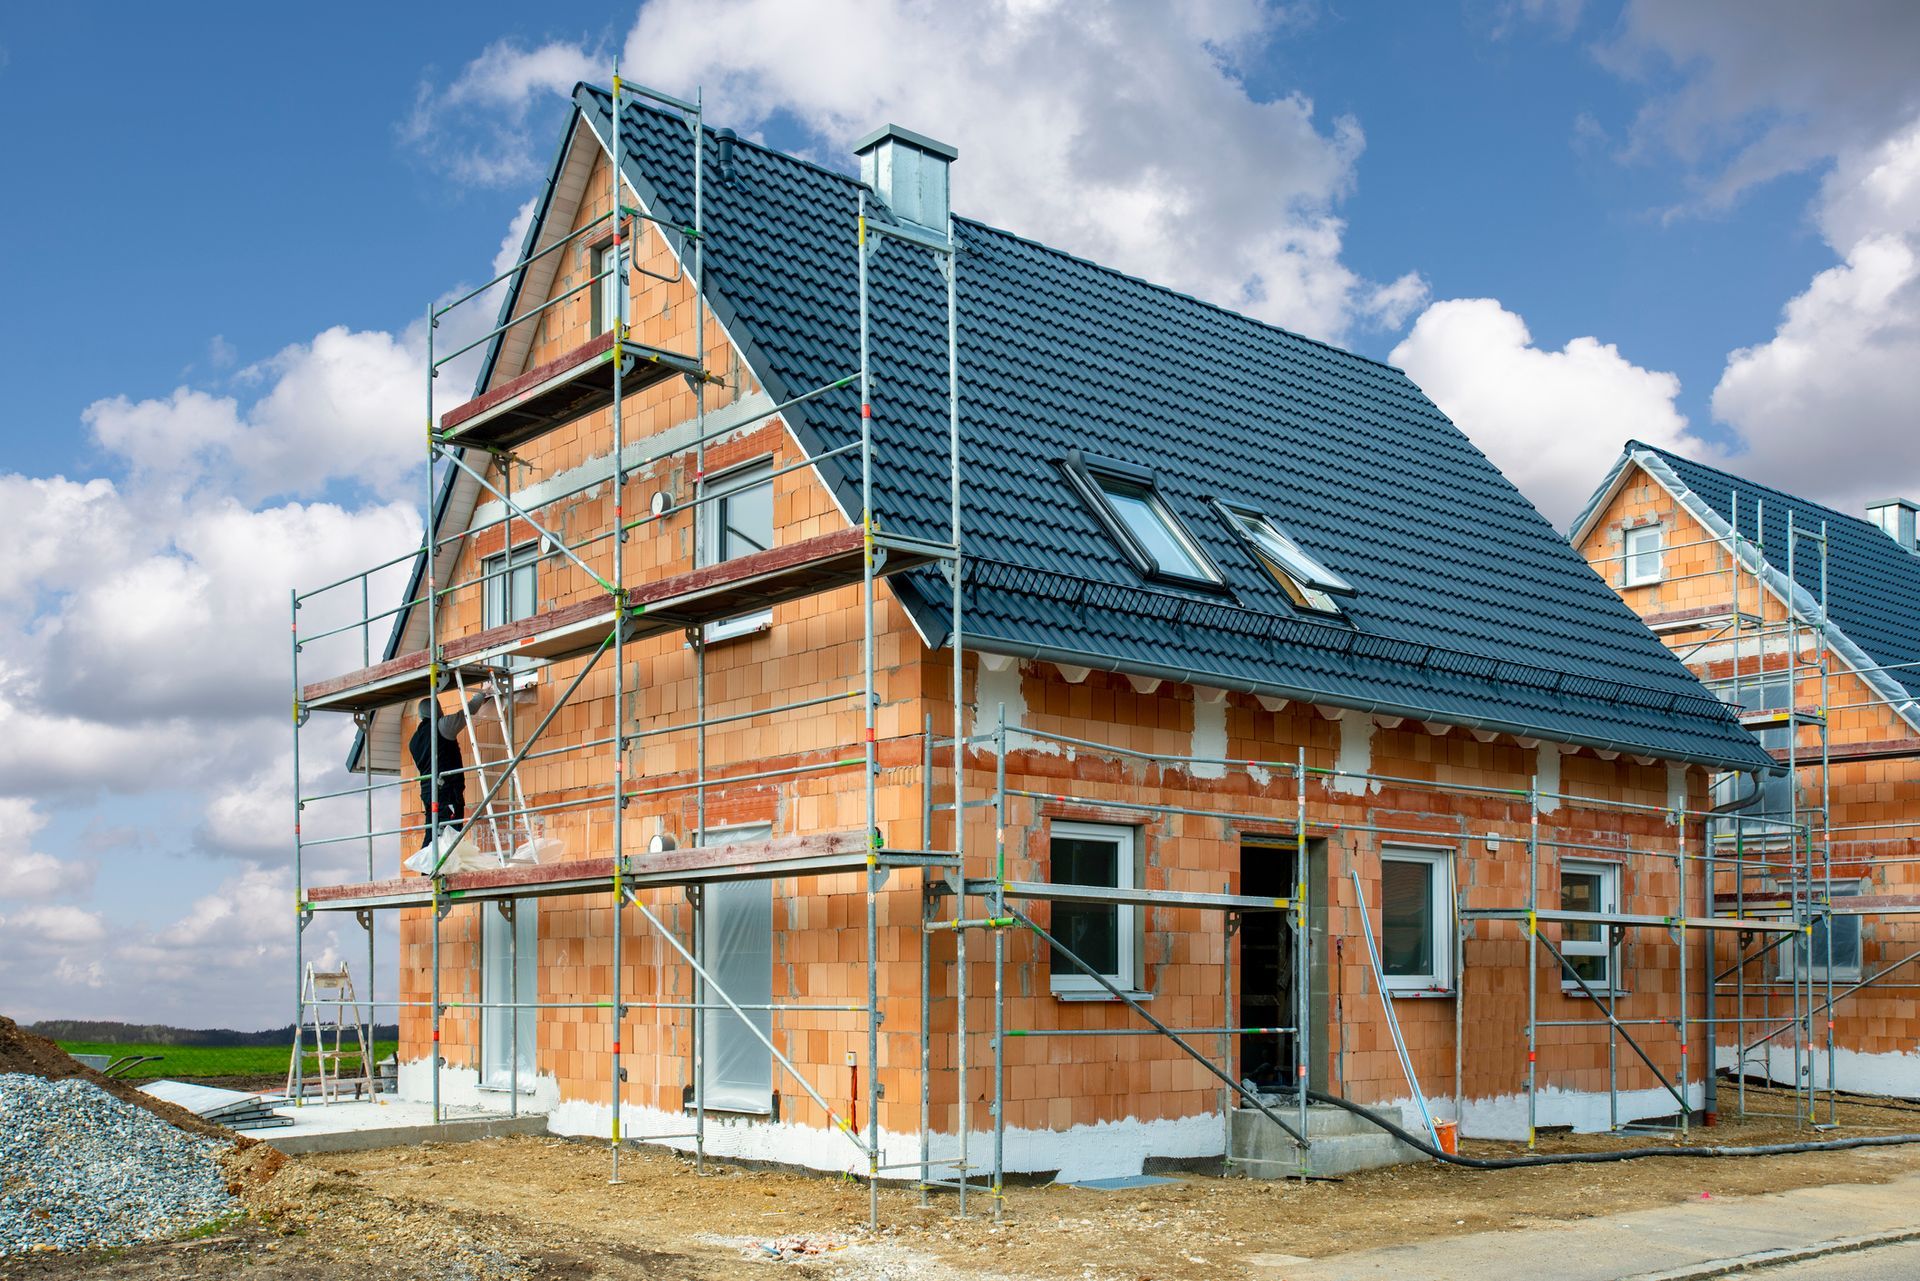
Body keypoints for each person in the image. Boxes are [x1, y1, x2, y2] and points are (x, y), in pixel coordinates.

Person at [410, 691, 487, 831]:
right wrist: (482, 694)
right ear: (437, 709)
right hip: (446, 791)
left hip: (428, 792)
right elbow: (466, 713)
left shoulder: (414, 740)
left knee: (433, 833)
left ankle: (428, 853)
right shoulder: (442, 726)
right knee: (449, 833)